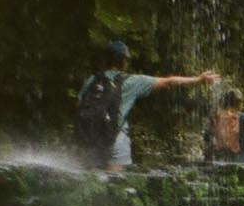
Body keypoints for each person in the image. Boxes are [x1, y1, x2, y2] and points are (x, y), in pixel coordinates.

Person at [75, 41, 220, 171]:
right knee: (114, 185)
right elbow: (170, 81)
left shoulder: (93, 80)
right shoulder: (132, 82)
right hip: (115, 137)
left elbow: (79, 104)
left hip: (90, 136)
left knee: (90, 179)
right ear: (124, 61)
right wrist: (199, 79)